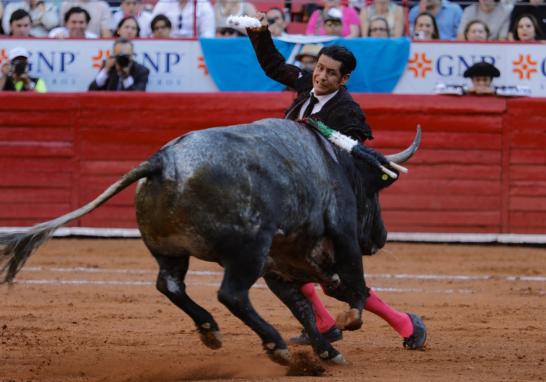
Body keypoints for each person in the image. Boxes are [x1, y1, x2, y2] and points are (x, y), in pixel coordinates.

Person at [246, 15, 427, 350]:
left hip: (328, 204)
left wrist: (323, 136)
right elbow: (273, 66)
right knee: (275, 265)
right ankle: (326, 324)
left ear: (344, 79)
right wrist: (260, 34)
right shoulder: (305, 84)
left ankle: (403, 323)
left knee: (333, 280)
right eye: (319, 68)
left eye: (331, 73)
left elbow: (351, 166)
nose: (321, 76)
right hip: (294, 196)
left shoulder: (349, 113)